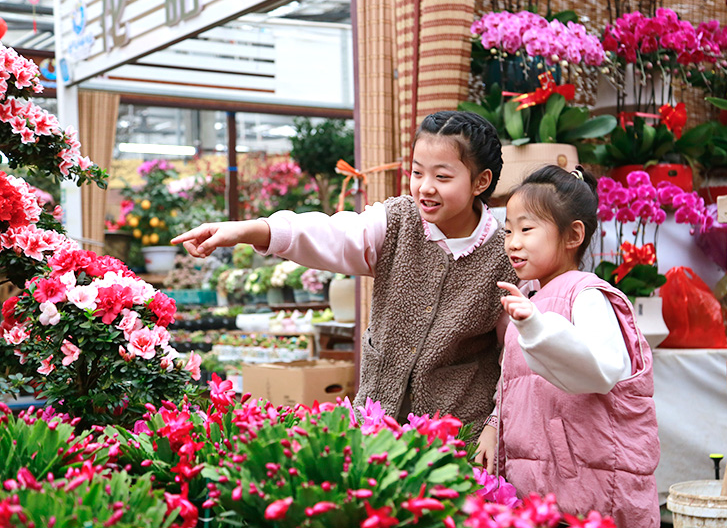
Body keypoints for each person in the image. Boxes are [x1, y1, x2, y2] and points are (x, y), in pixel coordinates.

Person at [172, 110, 518, 434]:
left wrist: (492, 424)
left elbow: (516, 358)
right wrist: (246, 231)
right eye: (417, 172)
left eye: (442, 176)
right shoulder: (397, 221)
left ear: (480, 181)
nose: (425, 187)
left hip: (458, 432)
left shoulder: (507, 255)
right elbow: (329, 234)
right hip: (377, 424)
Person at [473, 164, 659, 528]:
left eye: (526, 229)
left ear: (573, 235)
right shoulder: (530, 297)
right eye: (508, 230)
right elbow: (513, 379)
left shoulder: (587, 294)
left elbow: (602, 370)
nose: (512, 242)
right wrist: (495, 425)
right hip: (542, 481)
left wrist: (536, 326)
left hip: (590, 485)